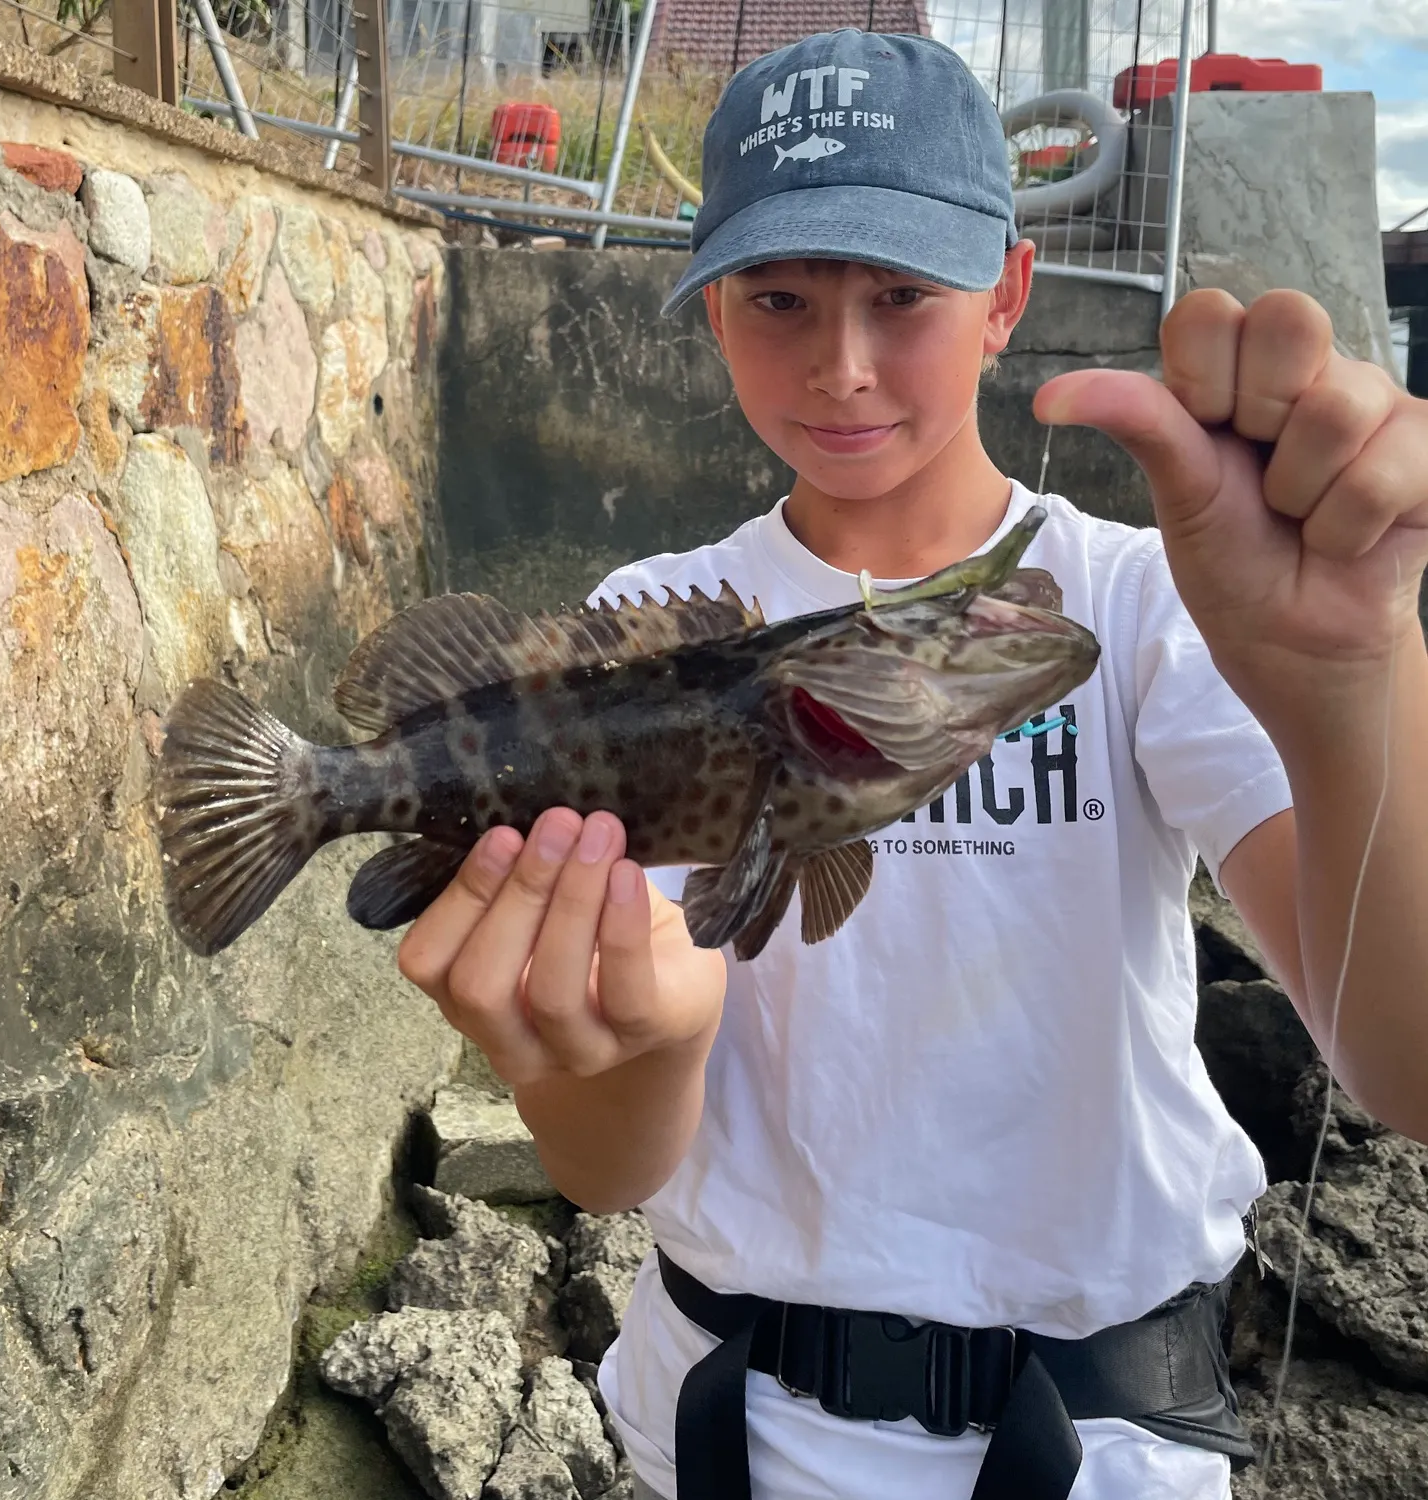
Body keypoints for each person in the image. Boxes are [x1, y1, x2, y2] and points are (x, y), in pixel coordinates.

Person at [397, 29, 1428, 1500]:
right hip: (726, 1439)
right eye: (779, 298)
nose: (844, 362)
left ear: (1007, 295)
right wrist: (626, 1040)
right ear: (711, 315)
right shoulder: (641, 628)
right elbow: (613, 1177)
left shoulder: (1141, 607)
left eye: (903, 294)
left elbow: (1410, 1061)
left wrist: (1353, 682)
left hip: (1101, 1452)